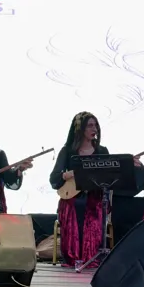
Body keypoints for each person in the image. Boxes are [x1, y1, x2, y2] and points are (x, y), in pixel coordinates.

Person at [48, 112, 109, 268]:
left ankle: (91, 255)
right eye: (90, 126)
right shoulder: (68, 151)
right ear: (79, 129)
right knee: (75, 205)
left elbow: (108, 176)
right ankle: (73, 256)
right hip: (72, 197)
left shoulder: (102, 151)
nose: (94, 129)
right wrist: (67, 175)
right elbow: (54, 179)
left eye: (95, 125)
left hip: (94, 197)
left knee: (93, 207)